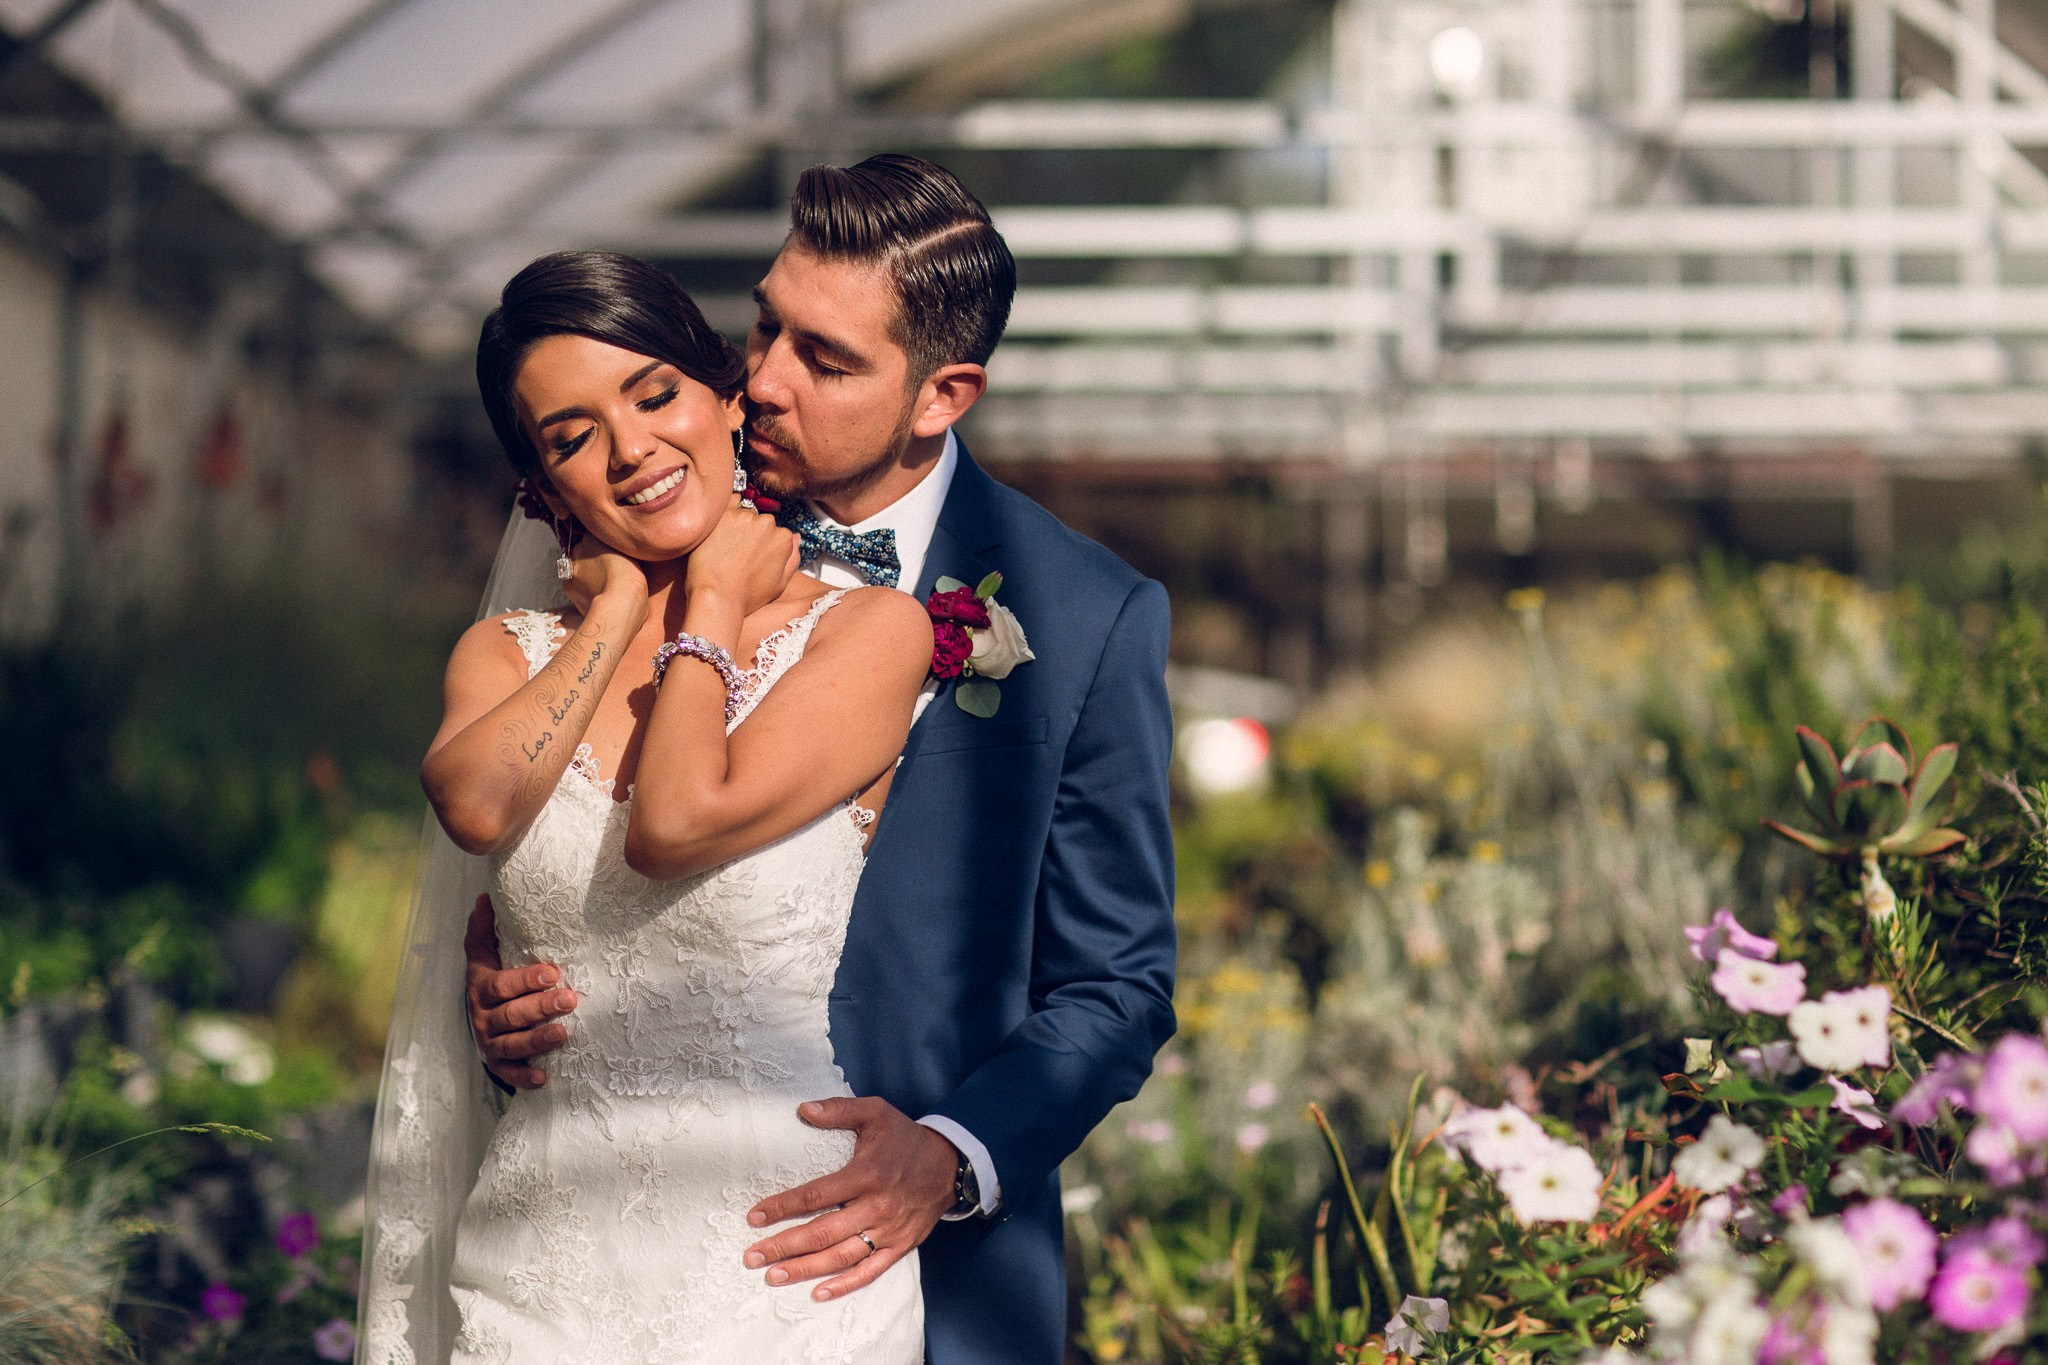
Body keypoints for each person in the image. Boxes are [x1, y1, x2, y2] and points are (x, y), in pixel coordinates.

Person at [459, 154, 1179, 1364]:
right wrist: (501, 981)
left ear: (941, 395)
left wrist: (949, 1155)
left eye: (825, 360)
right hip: (602, 1238)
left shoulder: (1087, 614)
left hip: (908, 1269)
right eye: (765, 328)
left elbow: (1117, 985)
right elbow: (537, 807)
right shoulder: (648, 505)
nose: (763, 382)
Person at [357, 249, 935, 1363]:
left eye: (656, 395)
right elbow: (475, 807)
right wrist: (618, 611)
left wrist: (708, 603)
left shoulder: (868, 632)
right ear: (541, 489)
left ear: (727, 399)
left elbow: (673, 825)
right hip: (540, 1272)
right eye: (573, 438)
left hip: (788, 1272)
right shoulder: (505, 654)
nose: (630, 451)